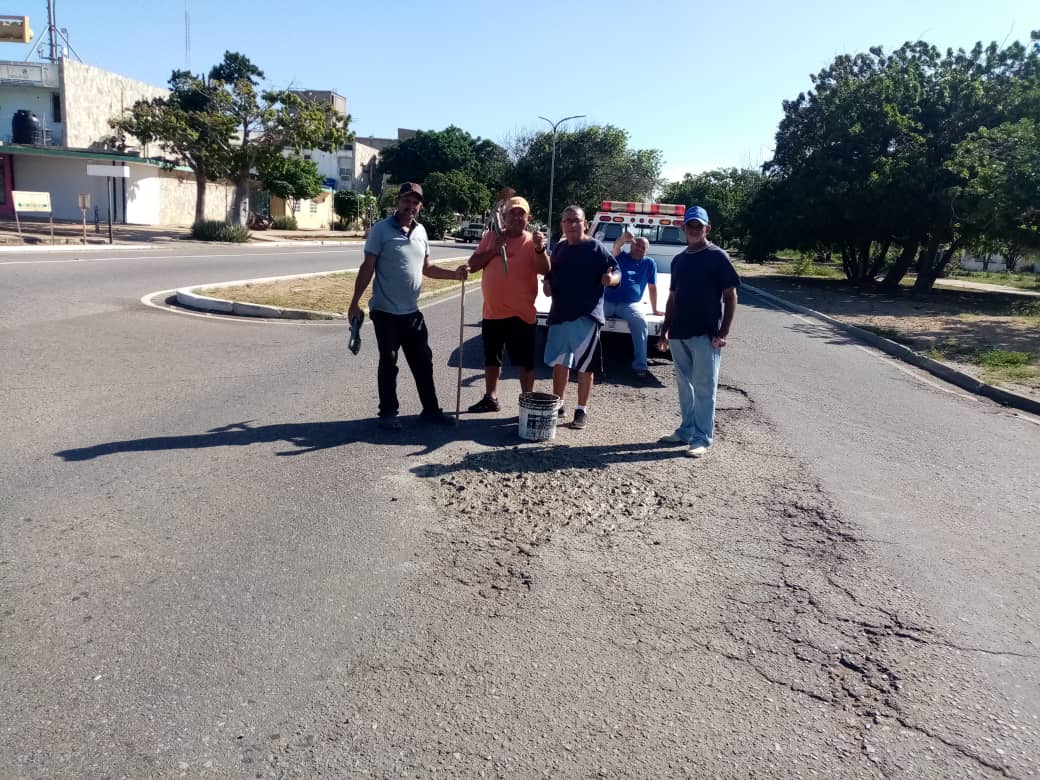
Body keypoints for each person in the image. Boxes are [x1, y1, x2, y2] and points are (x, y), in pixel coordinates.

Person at [347, 182, 469, 430]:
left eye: (415, 202)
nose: (410, 206)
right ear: (397, 202)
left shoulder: (421, 232)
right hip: (385, 312)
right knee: (389, 361)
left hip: (412, 312)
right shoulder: (381, 230)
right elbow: (367, 267)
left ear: (420, 206)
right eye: (406, 201)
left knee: (423, 361)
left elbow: (427, 268)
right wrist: (354, 302)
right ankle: (388, 413)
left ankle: (431, 410)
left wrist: (455, 275)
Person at [657, 205, 740, 457]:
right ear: (683, 228)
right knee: (685, 386)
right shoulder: (679, 260)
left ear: (707, 229)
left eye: (698, 226)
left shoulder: (718, 256)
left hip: (705, 334)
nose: (693, 230)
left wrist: (723, 332)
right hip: (679, 333)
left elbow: (731, 295)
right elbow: (672, 297)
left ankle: (702, 438)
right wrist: (664, 331)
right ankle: (686, 430)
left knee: (705, 387)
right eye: (690, 226)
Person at [465, 196, 550, 413]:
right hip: (492, 313)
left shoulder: (533, 241)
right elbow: (473, 265)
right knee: (491, 360)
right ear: (503, 217)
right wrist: (494, 249)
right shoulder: (491, 237)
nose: (516, 217)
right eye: (512, 212)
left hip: (522, 315)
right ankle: (490, 398)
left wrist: (540, 250)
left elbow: (544, 270)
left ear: (528, 218)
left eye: (521, 213)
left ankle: (526, 401)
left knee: (526, 363)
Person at [542, 205, 620, 430]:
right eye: (567, 221)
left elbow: (616, 272)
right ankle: (559, 403)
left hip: (586, 316)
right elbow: (549, 274)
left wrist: (610, 279)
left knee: (585, 366)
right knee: (559, 363)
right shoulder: (558, 248)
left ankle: (581, 410)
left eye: (576, 220)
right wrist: (547, 283)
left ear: (585, 223)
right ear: (562, 225)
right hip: (559, 314)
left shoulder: (595, 248)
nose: (572, 225)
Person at [606, 230, 661, 380]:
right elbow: (616, 246)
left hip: (630, 304)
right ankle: (582, 361)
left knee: (641, 322)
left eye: (644, 247)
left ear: (647, 250)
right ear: (632, 246)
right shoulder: (620, 257)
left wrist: (655, 309)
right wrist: (623, 238)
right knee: (589, 319)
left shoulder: (650, 263)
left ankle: (640, 366)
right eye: (638, 245)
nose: (640, 249)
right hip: (608, 301)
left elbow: (652, 288)